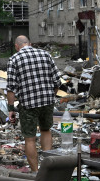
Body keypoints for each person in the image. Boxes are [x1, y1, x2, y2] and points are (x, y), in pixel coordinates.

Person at [5, 35, 60, 172]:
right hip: (47, 101)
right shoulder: (45, 55)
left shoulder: (14, 59)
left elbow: (11, 87)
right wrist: (50, 96)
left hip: (28, 104)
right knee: (46, 131)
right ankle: (48, 171)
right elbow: (57, 81)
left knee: (30, 139)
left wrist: (11, 109)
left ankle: (36, 173)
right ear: (30, 43)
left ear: (17, 47)